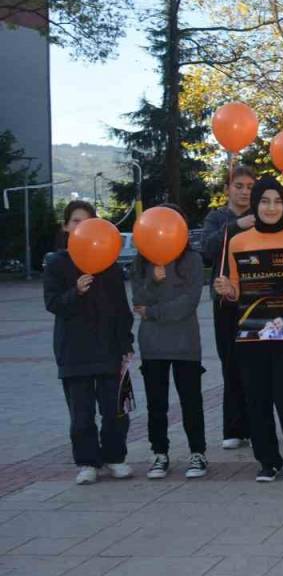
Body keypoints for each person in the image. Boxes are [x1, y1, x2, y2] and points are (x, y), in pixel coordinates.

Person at [212, 176, 283, 482]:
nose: (271, 207)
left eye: (277, 201)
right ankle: (267, 461)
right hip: (251, 332)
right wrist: (227, 289)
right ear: (255, 205)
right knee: (256, 400)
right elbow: (235, 291)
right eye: (264, 201)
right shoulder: (238, 242)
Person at [44, 201, 135, 485]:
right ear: (65, 227)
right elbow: (53, 303)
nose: (79, 227)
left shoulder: (109, 264)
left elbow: (122, 309)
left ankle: (114, 457)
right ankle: (87, 462)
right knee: (81, 415)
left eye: (86, 221)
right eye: (74, 221)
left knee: (115, 411)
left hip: (109, 349)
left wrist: (126, 344)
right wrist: (77, 291)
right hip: (74, 351)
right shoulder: (57, 263)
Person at [130, 204, 208, 480]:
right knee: (156, 404)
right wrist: (153, 280)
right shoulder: (140, 262)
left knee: (191, 401)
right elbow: (137, 299)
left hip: (185, 343)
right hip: (152, 345)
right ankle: (159, 453)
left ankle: (198, 453)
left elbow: (188, 302)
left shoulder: (193, 260)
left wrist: (153, 312)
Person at [200, 165, 256, 450]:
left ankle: (258, 425)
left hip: (258, 300)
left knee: (257, 365)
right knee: (231, 364)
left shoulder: (262, 215)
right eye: (239, 186)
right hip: (226, 302)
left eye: (249, 186)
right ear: (228, 189)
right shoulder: (217, 217)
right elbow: (207, 250)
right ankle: (234, 428)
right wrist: (235, 226)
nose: (245, 191)